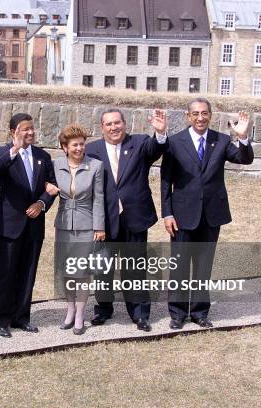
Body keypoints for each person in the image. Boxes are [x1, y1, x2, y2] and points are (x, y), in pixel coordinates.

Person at [161, 98, 253, 329]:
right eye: (195, 114)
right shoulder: (174, 142)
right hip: (181, 216)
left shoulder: (221, 140)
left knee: (203, 266)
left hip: (211, 214)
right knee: (180, 266)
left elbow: (244, 158)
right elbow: (165, 182)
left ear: (210, 115)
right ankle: (178, 314)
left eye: (204, 113)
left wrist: (242, 137)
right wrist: (167, 213)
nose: (200, 118)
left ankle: (200, 312)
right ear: (187, 116)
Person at [85, 109, 167, 331]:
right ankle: (103, 309)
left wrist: (160, 133)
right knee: (104, 268)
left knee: (135, 268)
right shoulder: (92, 150)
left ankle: (139, 312)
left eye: (118, 123)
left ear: (124, 123)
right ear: (102, 127)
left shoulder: (139, 143)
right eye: (109, 124)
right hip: (105, 220)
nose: (114, 127)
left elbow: (156, 148)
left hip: (135, 217)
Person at [0, 113, 57, 337]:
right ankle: (1, 320)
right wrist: (15, 150)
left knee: (28, 272)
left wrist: (41, 203)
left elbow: (52, 186)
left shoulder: (43, 156)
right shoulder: (1, 153)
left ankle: (21, 317)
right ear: (13, 132)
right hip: (9, 224)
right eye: (25, 129)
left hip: (34, 224)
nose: (30, 132)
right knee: (5, 272)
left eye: (32, 128)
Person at [45, 124, 105, 335]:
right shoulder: (55, 165)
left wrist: (99, 226)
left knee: (81, 273)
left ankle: (80, 314)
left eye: (82, 144)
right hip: (63, 226)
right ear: (64, 147)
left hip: (86, 225)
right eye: (74, 145)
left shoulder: (95, 166)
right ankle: (69, 310)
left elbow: (99, 199)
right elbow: (45, 186)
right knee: (67, 272)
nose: (79, 148)